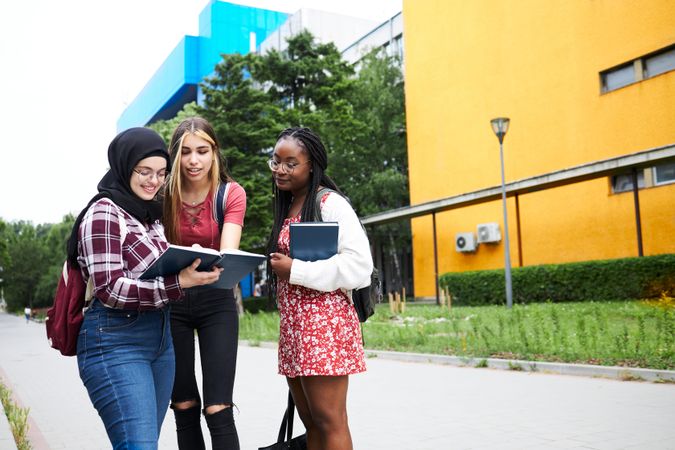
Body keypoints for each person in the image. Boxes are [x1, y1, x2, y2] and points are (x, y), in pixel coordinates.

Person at [67, 127, 221, 449]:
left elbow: (154, 271)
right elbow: (109, 288)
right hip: (115, 341)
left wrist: (194, 268)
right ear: (125, 167)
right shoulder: (104, 212)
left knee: (145, 442)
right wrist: (177, 283)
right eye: (145, 172)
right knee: (139, 446)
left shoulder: (150, 217)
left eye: (161, 173)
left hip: (160, 341)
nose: (154, 181)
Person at [267, 127, 373, 450]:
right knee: (311, 422)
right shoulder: (288, 205)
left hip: (325, 327)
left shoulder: (329, 203)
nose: (280, 169)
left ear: (311, 165)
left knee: (330, 420)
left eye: (291, 163)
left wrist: (294, 270)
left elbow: (360, 266)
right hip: (297, 328)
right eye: (275, 161)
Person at [163, 117, 246, 450]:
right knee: (184, 406)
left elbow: (228, 253)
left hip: (216, 301)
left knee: (217, 408)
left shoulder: (230, 194)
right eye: (185, 152)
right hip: (172, 303)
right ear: (175, 156)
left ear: (214, 153)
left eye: (201, 151)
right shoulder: (162, 195)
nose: (193, 160)